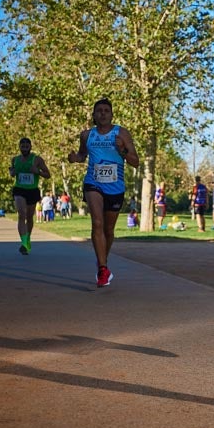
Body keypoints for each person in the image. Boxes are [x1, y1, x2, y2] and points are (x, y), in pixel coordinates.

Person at [68, 98, 140, 287]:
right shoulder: (86, 135)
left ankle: (103, 263)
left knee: (108, 230)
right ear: (93, 115)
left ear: (111, 114)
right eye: (98, 110)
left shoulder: (122, 133)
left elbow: (135, 161)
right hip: (93, 183)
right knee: (97, 223)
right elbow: (82, 155)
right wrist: (75, 158)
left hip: (115, 186)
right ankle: (102, 268)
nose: (102, 113)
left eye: (106, 110)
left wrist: (122, 150)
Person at [10, 137, 51, 255]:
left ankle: (27, 239)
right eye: (22, 146)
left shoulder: (37, 159)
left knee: (29, 216)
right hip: (19, 189)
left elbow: (48, 174)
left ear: (30, 147)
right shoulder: (15, 160)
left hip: (32, 191)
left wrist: (37, 171)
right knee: (21, 214)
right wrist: (12, 172)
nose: (24, 149)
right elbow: (12, 172)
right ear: (19, 147)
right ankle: (23, 243)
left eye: (27, 146)